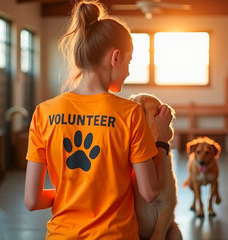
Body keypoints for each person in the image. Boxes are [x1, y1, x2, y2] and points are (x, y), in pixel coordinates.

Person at [24, 0, 173, 239]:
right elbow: (149, 192)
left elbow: (31, 200)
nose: (128, 72)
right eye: (129, 62)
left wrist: (73, 194)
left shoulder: (43, 112)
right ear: (115, 58)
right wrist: (162, 142)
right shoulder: (129, 113)